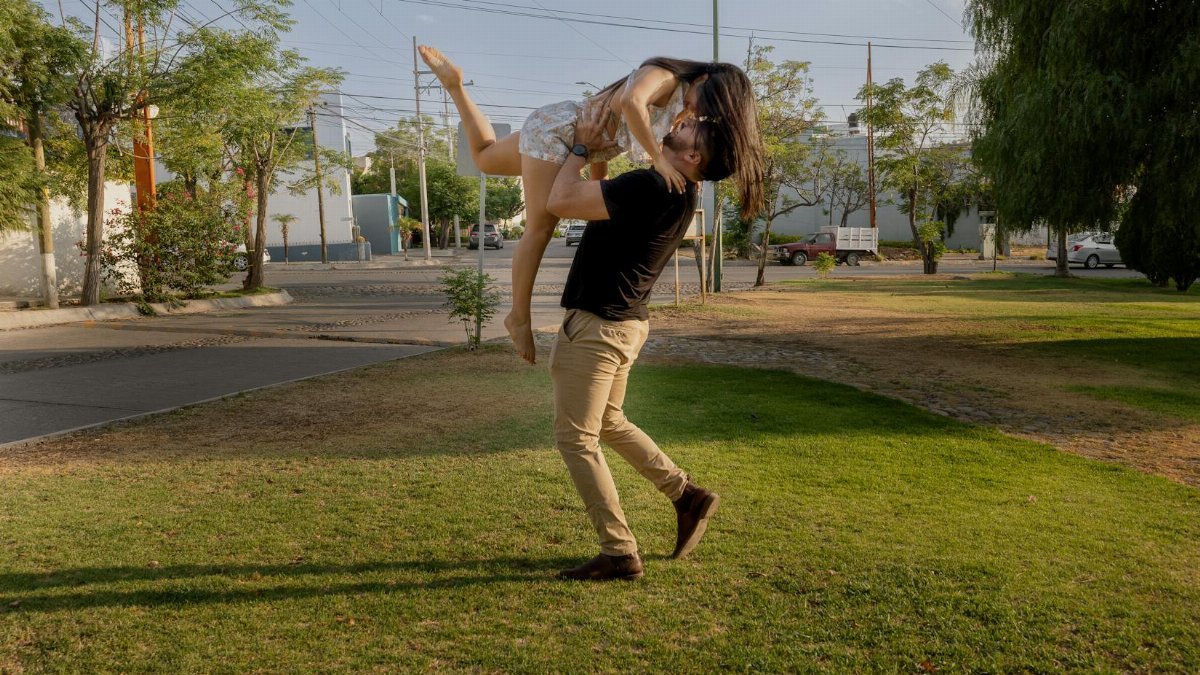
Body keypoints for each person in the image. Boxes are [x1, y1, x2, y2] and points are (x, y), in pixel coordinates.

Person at [418, 46, 764, 364]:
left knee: (485, 158)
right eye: (705, 105)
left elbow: (613, 137)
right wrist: (658, 159)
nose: (698, 113)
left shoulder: (681, 104)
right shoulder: (665, 74)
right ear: (703, 79)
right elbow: (630, 103)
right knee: (541, 225)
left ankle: (455, 86)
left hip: (570, 132)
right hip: (565, 133)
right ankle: (519, 317)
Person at [543, 104, 745, 581]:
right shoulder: (679, 190)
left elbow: (561, 201)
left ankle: (618, 551)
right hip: (625, 325)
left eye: (689, 125)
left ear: (693, 155)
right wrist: (598, 158)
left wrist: (580, 147)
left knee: (576, 438)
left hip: (598, 326)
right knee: (610, 420)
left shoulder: (652, 184)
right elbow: (599, 200)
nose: (678, 122)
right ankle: (687, 495)